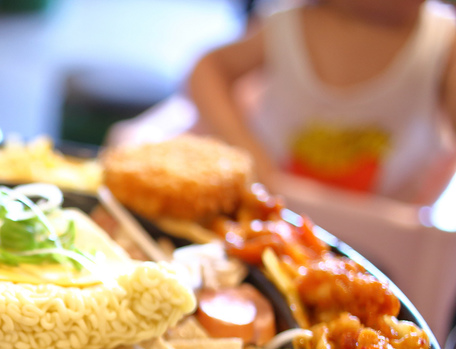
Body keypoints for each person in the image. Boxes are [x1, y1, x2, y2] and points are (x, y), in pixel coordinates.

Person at [187, 0, 456, 204]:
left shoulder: (444, 42)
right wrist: (249, 153)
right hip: (274, 206)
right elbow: (209, 69)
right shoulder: (288, 24)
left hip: (385, 229)